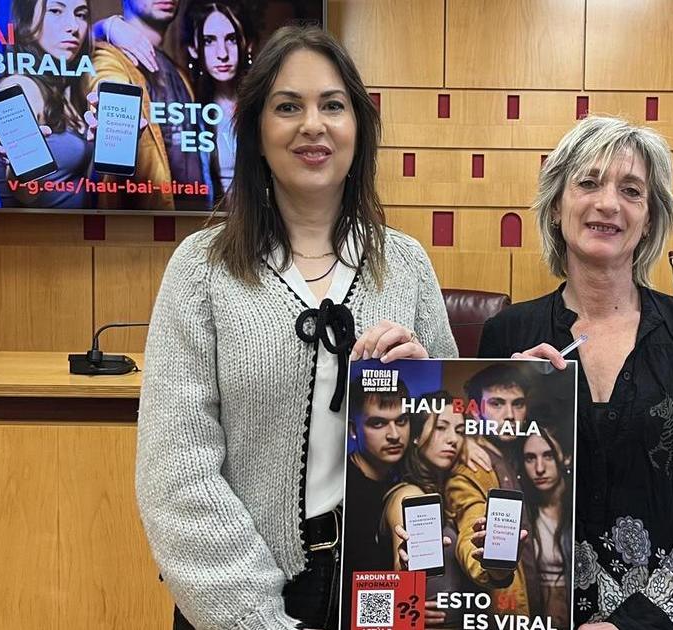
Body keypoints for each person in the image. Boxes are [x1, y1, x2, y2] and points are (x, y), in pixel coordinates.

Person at [136, 26, 457, 630]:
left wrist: (425, 388)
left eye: (332, 105)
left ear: (358, 129)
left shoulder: (407, 265)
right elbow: (176, 474)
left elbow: (449, 443)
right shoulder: (201, 270)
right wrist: (255, 618)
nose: (313, 125)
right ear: (257, 133)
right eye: (288, 107)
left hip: (381, 586)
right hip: (241, 599)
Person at [478, 115, 673, 630]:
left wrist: (636, 623)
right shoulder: (507, 335)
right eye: (588, 183)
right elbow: (492, 494)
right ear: (556, 206)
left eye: (631, 191)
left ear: (648, 219)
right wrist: (508, 419)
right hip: (538, 616)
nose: (608, 203)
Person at [90, 0, 211, 210]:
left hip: (195, 221)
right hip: (144, 224)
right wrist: (106, 27)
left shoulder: (179, 73)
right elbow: (106, 81)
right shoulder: (108, 58)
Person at [446, 364, 535, 616]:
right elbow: (471, 522)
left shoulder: (521, 457)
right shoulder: (472, 468)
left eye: (518, 404)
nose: (510, 415)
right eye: (496, 403)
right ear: (475, 412)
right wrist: (490, 566)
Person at [0, 0, 93, 208]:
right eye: (55, 11)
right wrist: (23, 167)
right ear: (27, 19)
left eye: (81, 14)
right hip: (35, 228)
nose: (73, 26)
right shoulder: (21, 87)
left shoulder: (65, 88)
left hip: (77, 227)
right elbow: (25, 192)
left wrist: (110, 26)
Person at [381, 391, 469, 628]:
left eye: (460, 431)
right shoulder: (410, 495)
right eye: (441, 427)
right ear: (416, 435)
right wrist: (405, 607)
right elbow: (401, 568)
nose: (453, 439)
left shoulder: (441, 493)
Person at [182, 0, 251, 200]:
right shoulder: (185, 109)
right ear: (193, 48)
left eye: (231, 39)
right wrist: (107, 28)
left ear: (247, 43)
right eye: (209, 41)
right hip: (204, 217)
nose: (222, 54)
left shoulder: (264, 105)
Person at [343, 381, 411, 575]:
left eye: (401, 421)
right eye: (378, 423)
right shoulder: (345, 489)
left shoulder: (406, 471)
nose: (394, 435)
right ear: (353, 430)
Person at [517, 428, 572, 629]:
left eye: (548, 456)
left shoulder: (579, 509)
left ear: (566, 457)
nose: (539, 468)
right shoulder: (525, 514)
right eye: (530, 458)